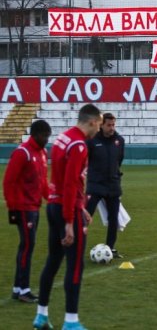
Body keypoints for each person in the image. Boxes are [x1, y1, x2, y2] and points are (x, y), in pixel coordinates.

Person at [33, 104, 102, 330]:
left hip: (54, 204)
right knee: (75, 265)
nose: (99, 129)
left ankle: (41, 315)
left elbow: (63, 179)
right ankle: (71, 322)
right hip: (65, 209)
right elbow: (72, 182)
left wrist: (80, 207)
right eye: (99, 124)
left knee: (53, 260)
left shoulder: (63, 138)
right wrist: (71, 222)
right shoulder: (80, 145)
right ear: (92, 121)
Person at [3, 120, 51, 303]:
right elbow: (9, 181)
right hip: (23, 208)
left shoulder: (42, 153)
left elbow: (43, 182)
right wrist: (12, 207)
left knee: (26, 247)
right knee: (27, 247)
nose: (46, 139)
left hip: (34, 207)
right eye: (44, 136)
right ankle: (23, 289)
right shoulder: (22, 153)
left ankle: (18, 288)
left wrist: (51, 199)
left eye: (47, 136)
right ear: (35, 134)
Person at [85, 112, 125, 259]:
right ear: (101, 125)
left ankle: (110, 247)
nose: (112, 128)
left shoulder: (119, 141)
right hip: (95, 185)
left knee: (113, 218)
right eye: (109, 125)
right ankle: (75, 245)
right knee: (85, 215)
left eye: (113, 125)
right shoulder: (92, 140)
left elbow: (118, 161)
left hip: (113, 185)